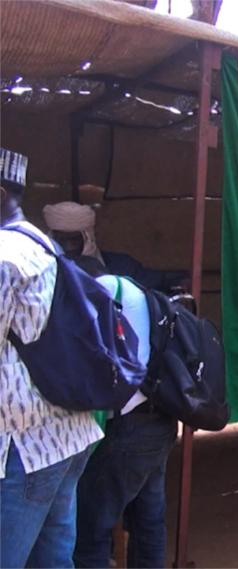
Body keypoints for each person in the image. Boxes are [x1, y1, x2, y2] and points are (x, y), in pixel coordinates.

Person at [1, 147, 104, 568]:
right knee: (54, 560)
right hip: (66, 434)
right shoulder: (39, 243)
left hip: (24, 445)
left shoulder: (5, 255)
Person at [71, 257, 177, 569]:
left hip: (129, 427)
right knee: (149, 522)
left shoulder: (102, 289)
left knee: (90, 529)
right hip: (159, 418)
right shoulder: (137, 293)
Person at [43, 201, 188, 294]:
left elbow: (156, 282)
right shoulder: (42, 272)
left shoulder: (121, 267)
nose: (68, 247)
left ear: (88, 238)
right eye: (62, 240)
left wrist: (180, 280)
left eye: (74, 239)